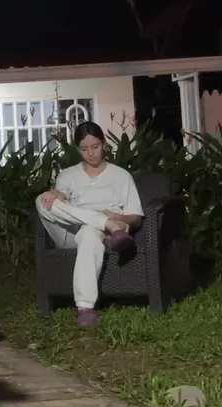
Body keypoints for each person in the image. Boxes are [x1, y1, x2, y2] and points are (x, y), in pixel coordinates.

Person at [36, 121, 144, 328]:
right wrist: (54, 193)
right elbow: (61, 196)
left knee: (89, 232)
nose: (91, 153)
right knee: (41, 201)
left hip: (103, 233)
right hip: (71, 232)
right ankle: (107, 224)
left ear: (104, 144)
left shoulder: (121, 176)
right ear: (78, 149)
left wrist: (118, 218)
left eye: (95, 147)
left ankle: (85, 308)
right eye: (84, 149)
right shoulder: (68, 175)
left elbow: (136, 218)